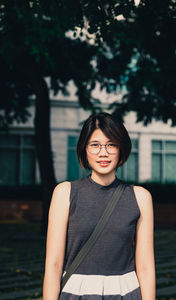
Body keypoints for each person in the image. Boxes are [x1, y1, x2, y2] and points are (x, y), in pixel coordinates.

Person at [43, 112, 155, 300]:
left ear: (121, 149)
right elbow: (53, 264)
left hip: (125, 293)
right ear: (84, 149)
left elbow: (145, 266)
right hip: (75, 294)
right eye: (95, 145)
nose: (103, 153)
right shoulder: (65, 193)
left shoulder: (140, 197)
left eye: (111, 144)